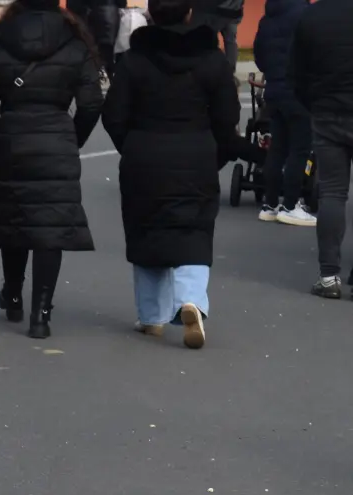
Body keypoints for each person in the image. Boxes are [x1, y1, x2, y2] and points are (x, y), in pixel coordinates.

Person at [103, 0, 238, 349]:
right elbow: (227, 118)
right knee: (194, 229)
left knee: (146, 228)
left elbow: (114, 114)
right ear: (190, 13)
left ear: (151, 14)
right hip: (196, 153)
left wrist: (132, 146)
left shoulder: (134, 61)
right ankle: (191, 300)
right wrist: (215, 154)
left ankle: (151, 316)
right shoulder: (213, 61)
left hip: (144, 155)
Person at [0, 0, 104, 340]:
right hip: (58, 137)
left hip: (12, 139)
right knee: (50, 225)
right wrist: (74, 138)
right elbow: (91, 102)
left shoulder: (0, 39)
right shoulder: (74, 41)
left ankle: (13, 294)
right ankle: (41, 313)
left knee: (14, 217)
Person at [290, 0, 353, 298]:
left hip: (327, 111)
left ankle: (329, 276)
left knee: (332, 193)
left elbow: (296, 73)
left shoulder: (312, 16)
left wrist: (313, 104)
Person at [253, 0, 315, 225]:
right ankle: (290, 204)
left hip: (274, 90)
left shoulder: (267, 19)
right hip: (298, 90)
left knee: (277, 148)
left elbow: (259, 57)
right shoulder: (305, 14)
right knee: (299, 150)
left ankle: (270, 204)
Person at [67, 0, 125, 77]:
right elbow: (122, 3)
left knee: (92, 52)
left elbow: (73, 6)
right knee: (108, 52)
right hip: (111, 14)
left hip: (89, 16)